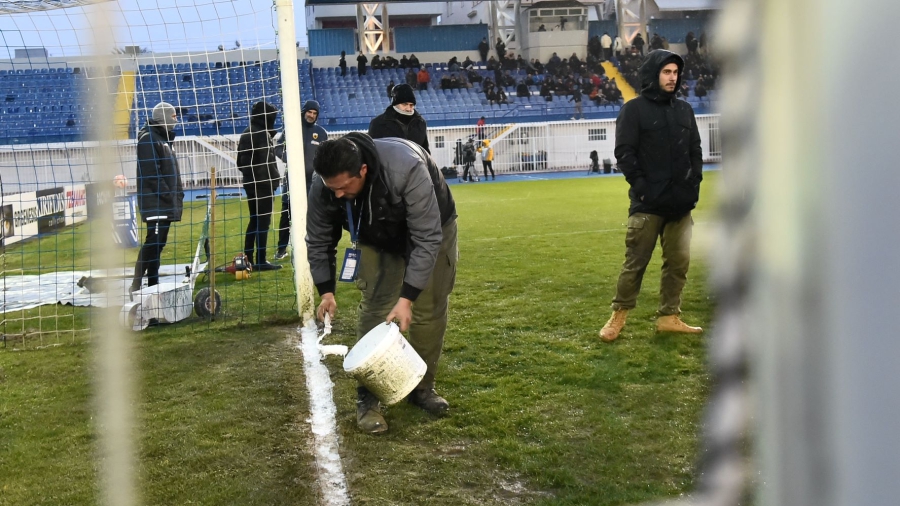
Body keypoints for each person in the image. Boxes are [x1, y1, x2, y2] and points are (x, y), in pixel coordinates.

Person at [306, 133, 458, 434]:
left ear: (362, 171)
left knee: (428, 309)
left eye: (343, 188)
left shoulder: (406, 168)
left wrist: (407, 299)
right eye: (331, 189)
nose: (336, 195)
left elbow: (427, 238)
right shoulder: (324, 184)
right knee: (375, 307)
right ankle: (369, 396)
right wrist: (326, 291)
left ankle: (422, 388)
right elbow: (319, 239)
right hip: (373, 233)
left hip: (431, 227)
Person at [598, 49, 703, 343]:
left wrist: (693, 184)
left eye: (675, 72)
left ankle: (669, 317)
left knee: (679, 263)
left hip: (680, 206)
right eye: (666, 72)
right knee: (635, 263)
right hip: (646, 205)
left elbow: (695, 151)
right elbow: (625, 154)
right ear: (653, 74)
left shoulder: (685, 110)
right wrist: (644, 188)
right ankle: (618, 317)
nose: (672, 78)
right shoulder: (633, 110)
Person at [130, 102, 185, 292]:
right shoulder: (148, 139)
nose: (176, 120)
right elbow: (151, 174)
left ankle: (153, 284)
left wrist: (176, 195)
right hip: (156, 204)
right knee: (152, 245)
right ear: (163, 117)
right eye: (173, 116)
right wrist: (169, 196)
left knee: (158, 245)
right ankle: (136, 285)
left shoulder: (163, 139)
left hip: (164, 204)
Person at [275, 100, 327, 260]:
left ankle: (310, 247)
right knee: (287, 213)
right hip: (292, 180)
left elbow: (325, 154)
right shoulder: (291, 129)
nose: (311, 115)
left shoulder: (321, 132)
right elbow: (277, 148)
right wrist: (288, 159)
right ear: (303, 112)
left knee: (313, 215)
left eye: (314, 113)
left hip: (313, 181)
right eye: (309, 112)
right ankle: (281, 249)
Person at [237, 101, 282, 271]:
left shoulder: (248, 133)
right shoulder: (260, 134)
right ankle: (260, 260)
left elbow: (241, 164)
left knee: (254, 221)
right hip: (262, 185)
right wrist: (269, 180)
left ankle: (249, 259)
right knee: (262, 222)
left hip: (253, 184)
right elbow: (264, 163)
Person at [368, 83, 430, 153]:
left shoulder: (420, 123)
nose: (408, 108)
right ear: (395, 103)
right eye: (405, 104)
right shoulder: (378, 124)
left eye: (411, 105)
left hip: (415, 164)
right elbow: (372, 153)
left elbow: (425, 152)